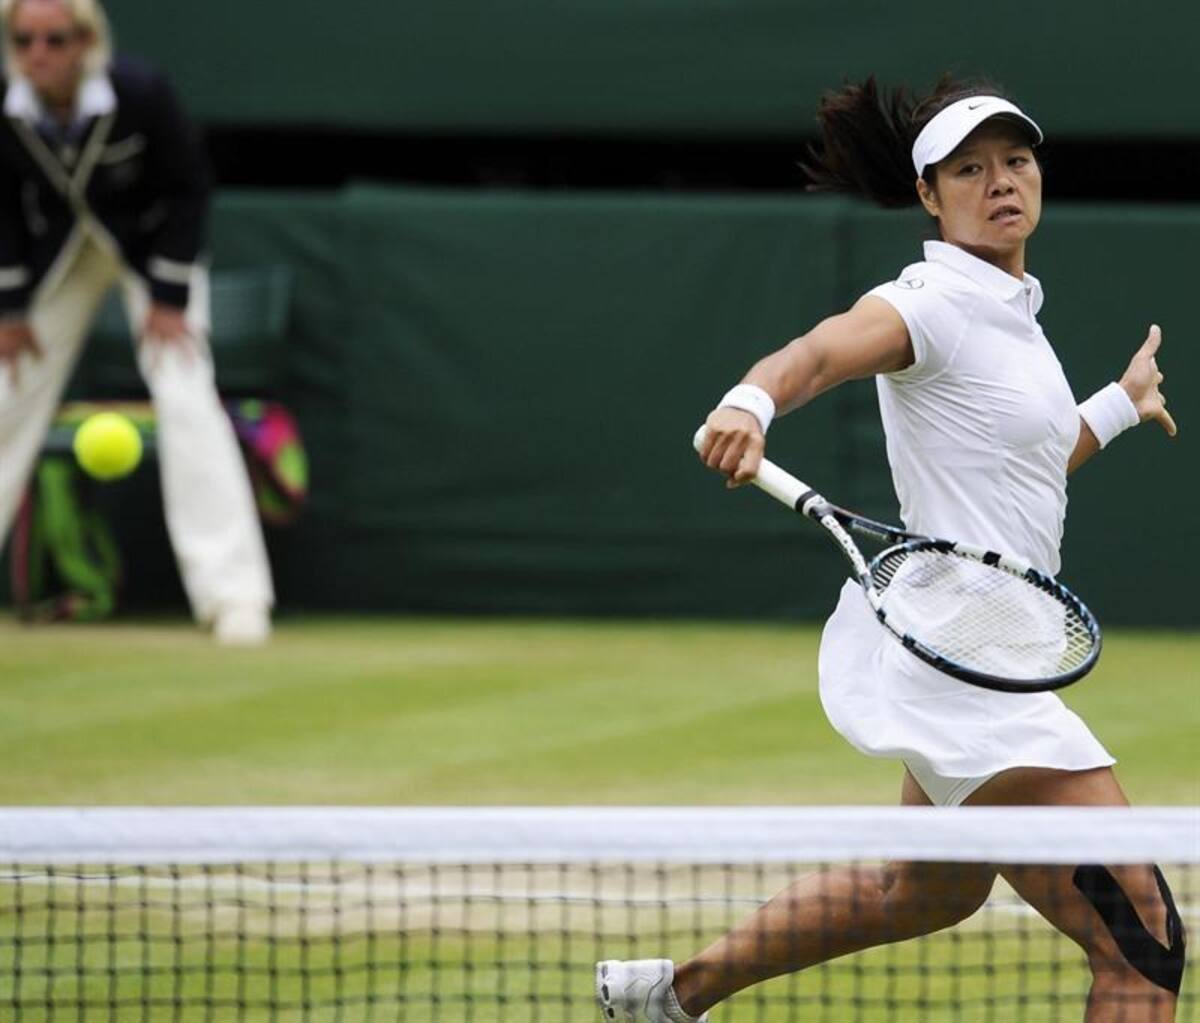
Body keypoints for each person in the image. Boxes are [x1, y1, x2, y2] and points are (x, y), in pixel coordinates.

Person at [596, 77, 1184, 1022]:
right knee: (1142, 946)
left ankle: (670, 995)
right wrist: (752, 399)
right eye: (970, 169)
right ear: (928, 195)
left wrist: (1116, 406)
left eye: (1016, 161)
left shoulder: (1013, 316)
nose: (1001, 182)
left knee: (917, 892)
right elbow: (821, 352)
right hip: (972, 677)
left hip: (984, 649)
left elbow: (1024, 473)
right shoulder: (931, 301)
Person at [0, 0, 274, 643]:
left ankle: (233, 594)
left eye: (54, 39)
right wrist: (9, 308)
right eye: (24, 40)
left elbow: (189, 189)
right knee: (4, 391)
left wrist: (170, 295)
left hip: (149, 255)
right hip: (56, 259)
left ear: (85, 41)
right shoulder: (6, 105)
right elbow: (1, 207)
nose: (38, 54)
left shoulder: (141, 91)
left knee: (185, 391)